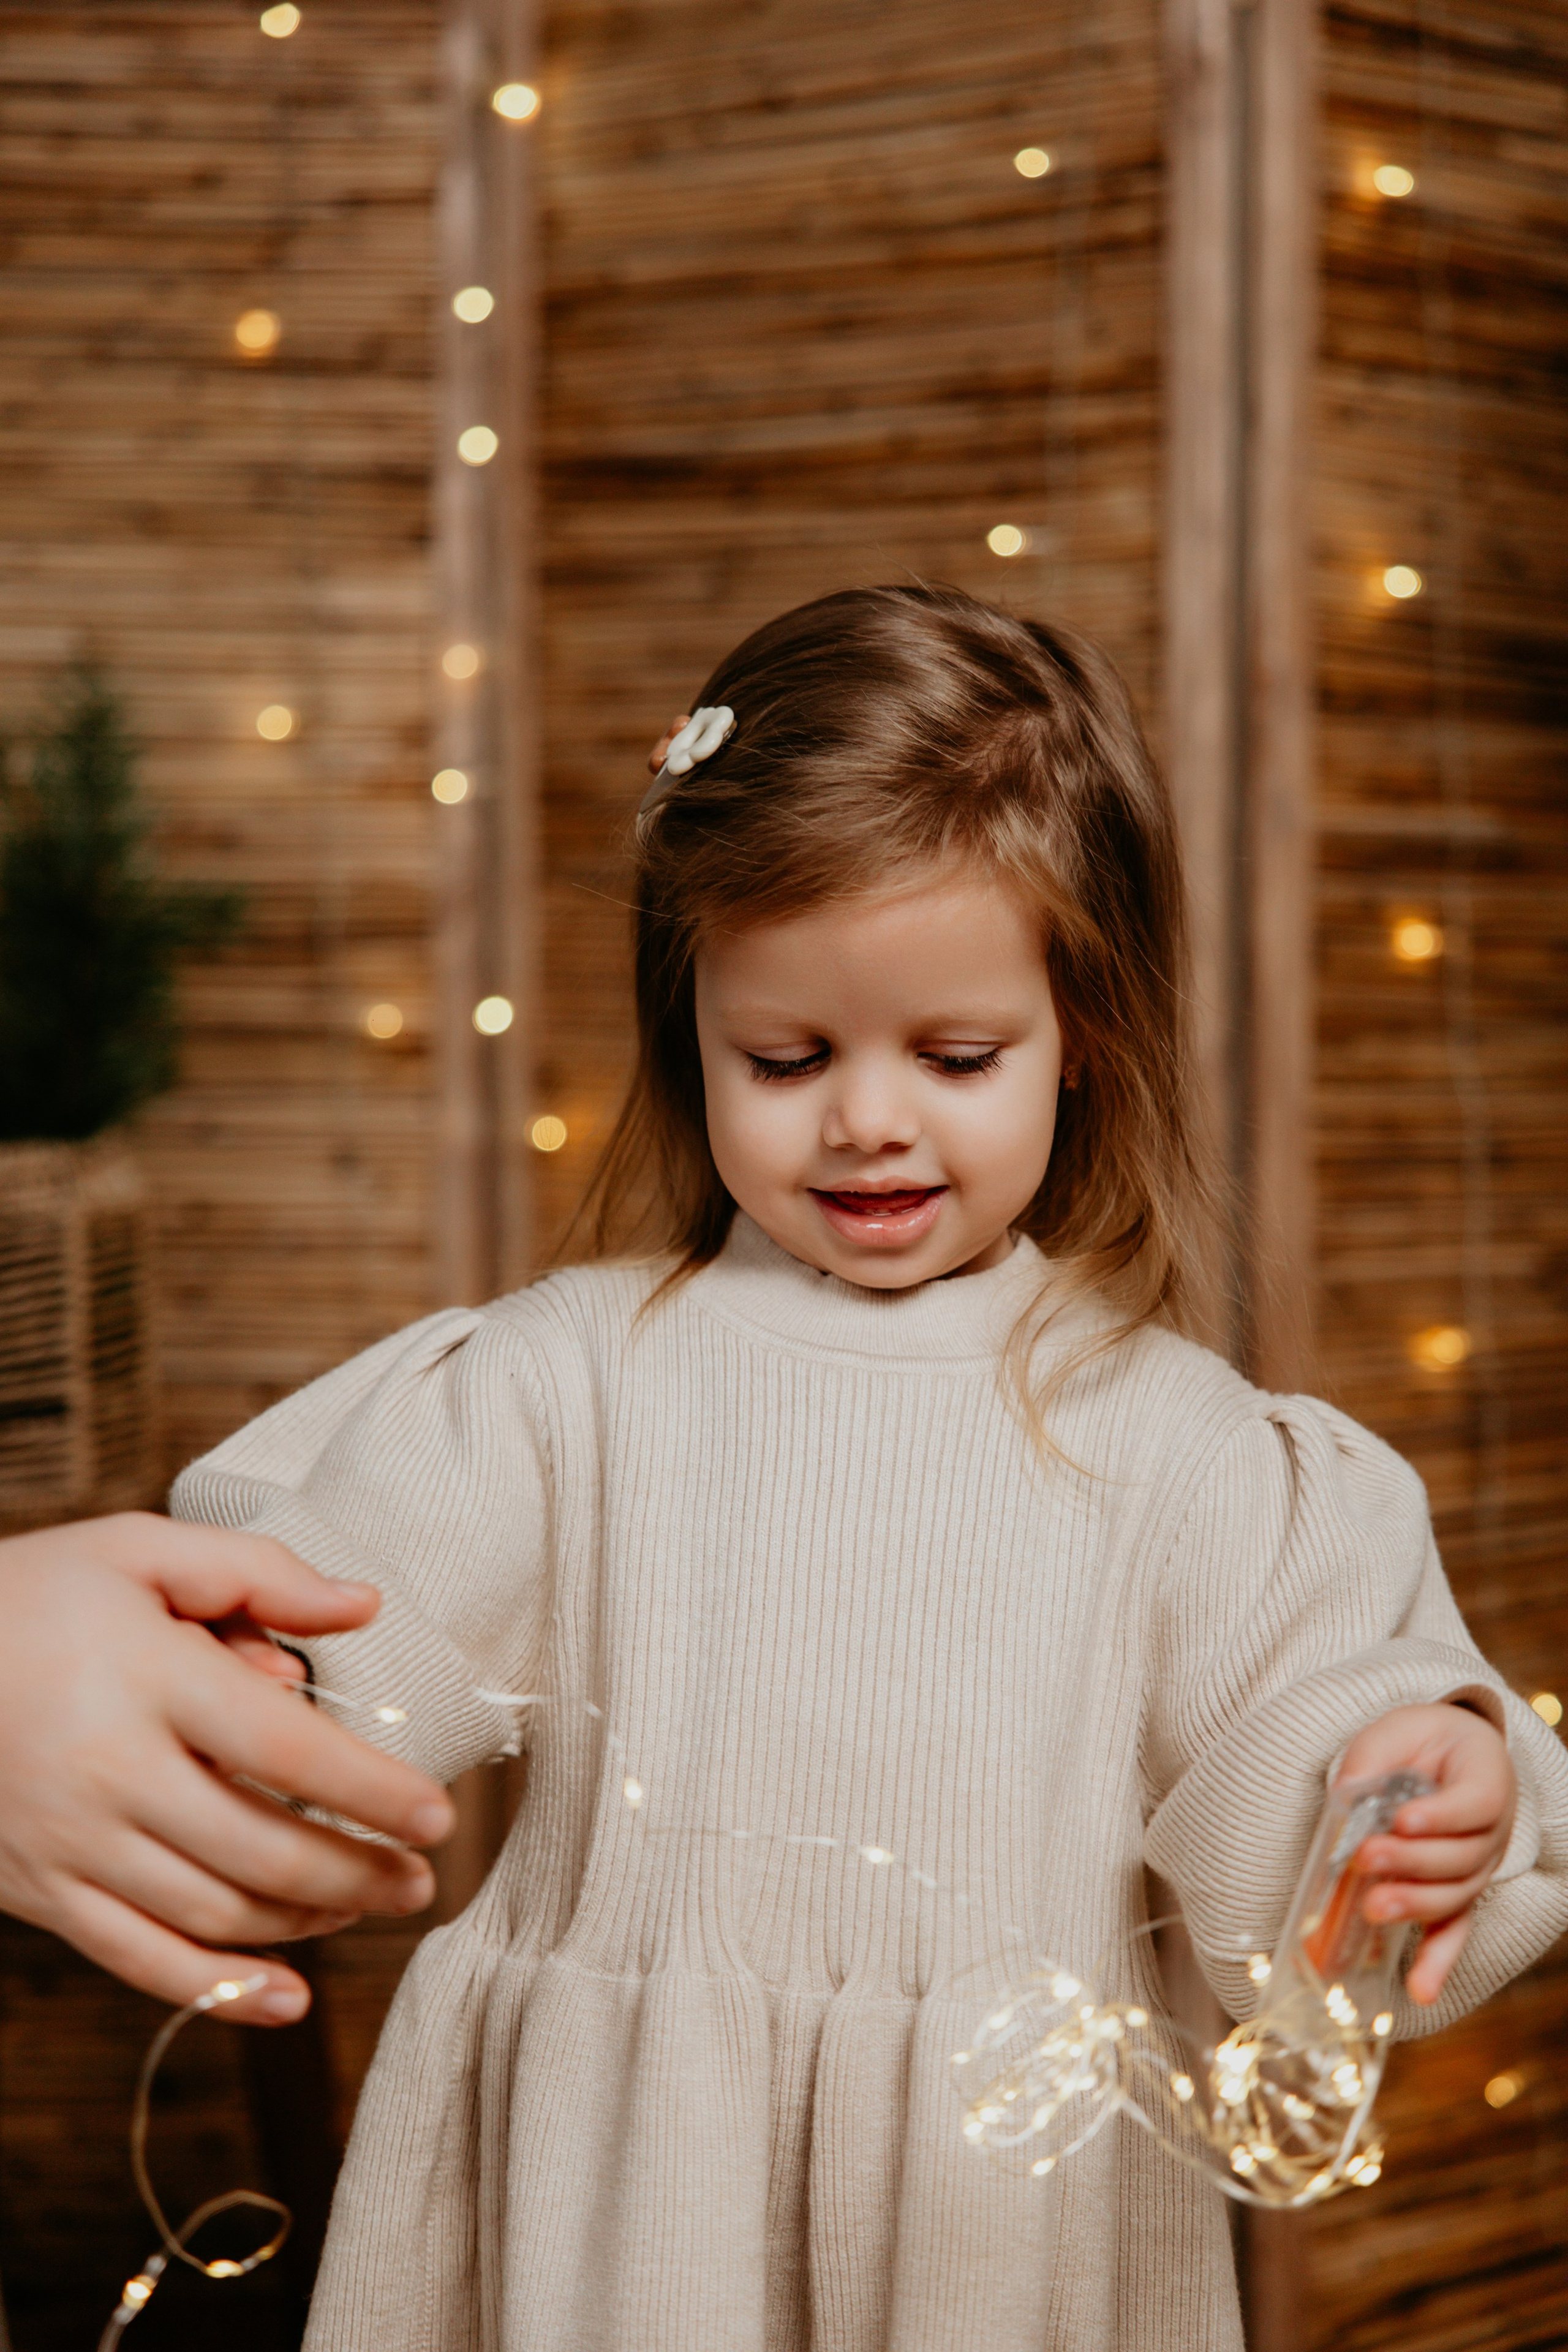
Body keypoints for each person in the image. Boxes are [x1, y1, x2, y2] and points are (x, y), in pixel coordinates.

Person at [3, 583, 1565, 2352]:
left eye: (957, 1055)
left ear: (1088, 1036)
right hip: (613, 2213)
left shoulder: (1187, 1453)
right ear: (695, 1028)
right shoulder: (563, 1386)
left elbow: (1311, 1865)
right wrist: (246, 1687)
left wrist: (1420, 1791)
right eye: (789, 1055)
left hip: (1003, 2233)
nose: (869, 1119)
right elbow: (316, 1631)